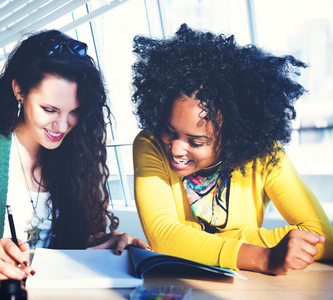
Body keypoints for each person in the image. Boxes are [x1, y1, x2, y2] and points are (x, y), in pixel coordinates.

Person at [0, 29, 149, 281]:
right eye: (50, 109)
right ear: (19, 90)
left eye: (74, 111)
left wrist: (105, 241)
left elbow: (75, 240)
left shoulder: (78, 149)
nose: (62, 126)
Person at [131, 23, 333, 275]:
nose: (175, 148)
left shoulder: (265, 156)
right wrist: (262, 257)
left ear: (232, 138)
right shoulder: (150, 144)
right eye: (169, 131)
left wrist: (196, 239)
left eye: (196, 142)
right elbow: (164, 237)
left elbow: (324, 238)